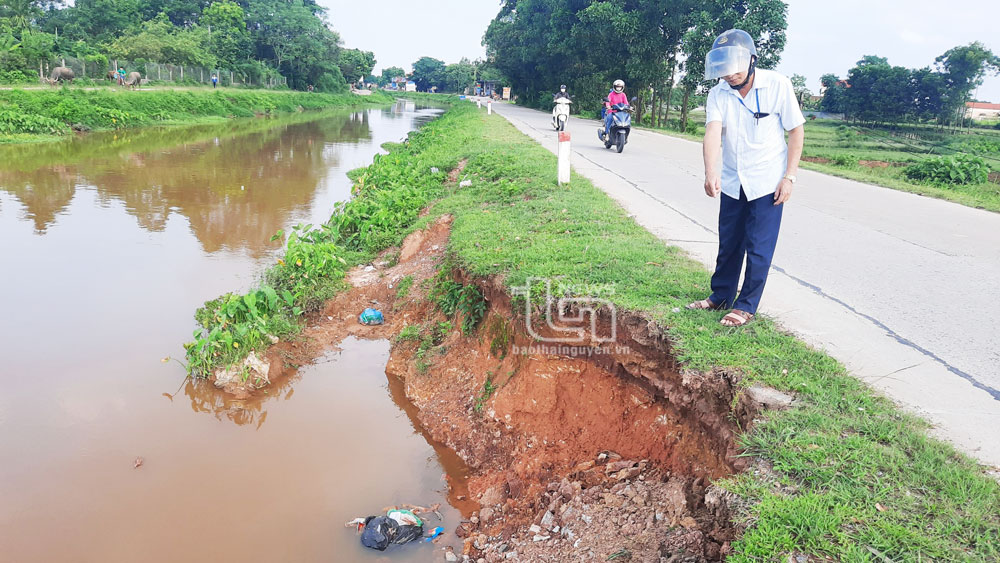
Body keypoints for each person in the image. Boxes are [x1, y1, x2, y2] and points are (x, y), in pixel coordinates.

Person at [686, 29, 805, 327]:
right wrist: (710, 172)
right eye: (723, 69)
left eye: (734, 67)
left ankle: (746, 305)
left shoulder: (777, 85)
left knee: (759, 246)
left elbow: (796, 131)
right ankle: (720, 295)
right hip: (732, 181)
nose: (729, 75)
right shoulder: (718, 93)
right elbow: (713, 131)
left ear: (752, 60)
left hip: (767, 182)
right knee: (729, 242)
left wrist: (789, 177)